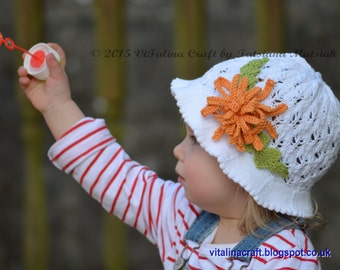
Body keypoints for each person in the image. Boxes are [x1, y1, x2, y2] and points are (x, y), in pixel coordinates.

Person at [18, 44, 339, 269]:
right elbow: (112, 172)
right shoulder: (182, 216)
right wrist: (57, 106)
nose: (178, 149)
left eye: (196, 141)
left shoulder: (285, 258)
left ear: (245, 173)